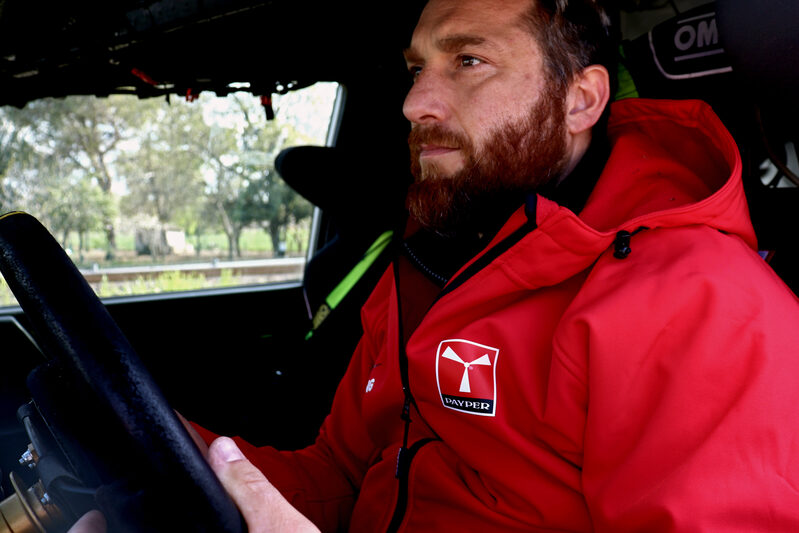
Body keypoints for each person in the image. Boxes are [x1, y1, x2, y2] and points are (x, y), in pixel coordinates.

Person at [73, 0, 799, 530]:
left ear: (579, 100)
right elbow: (339, 477)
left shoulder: (704, 304)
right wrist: (178, 452)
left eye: (468, 61)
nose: (416, 101)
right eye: (417, 68)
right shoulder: (428, 263)